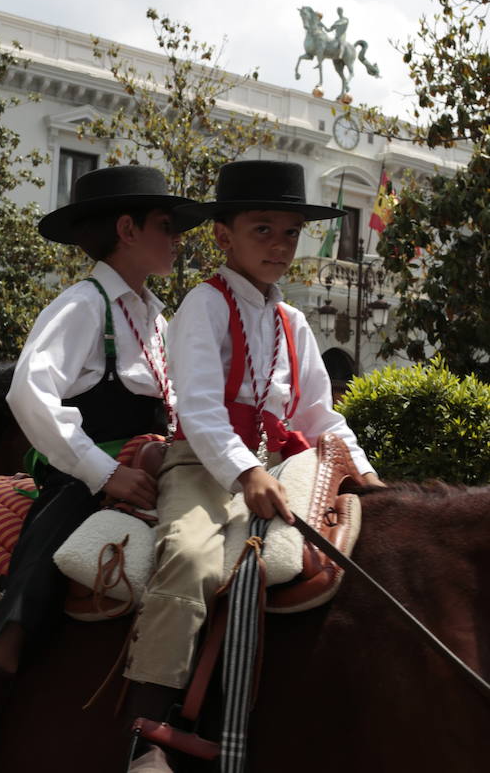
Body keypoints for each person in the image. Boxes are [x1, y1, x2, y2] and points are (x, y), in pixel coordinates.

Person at [0, 164, 205, 773]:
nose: (178, 237)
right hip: (80, 482)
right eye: (165, 224)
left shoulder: (157, 317)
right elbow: (29, 395)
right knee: (25, 605)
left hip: (154, 471)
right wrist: (105, 473)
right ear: (126, 229)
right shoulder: (82, 304)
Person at [124, 159, 383, 769]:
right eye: (262, 229)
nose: (279, 245)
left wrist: (366, 474)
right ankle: (146, 735)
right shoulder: (203, 306)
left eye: (290, 233)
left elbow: (321, 416)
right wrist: (245, 472)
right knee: (188, 557)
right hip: (204, 465)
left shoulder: (294, 321)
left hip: (281, 466)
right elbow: (201, 409)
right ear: (223, 236)